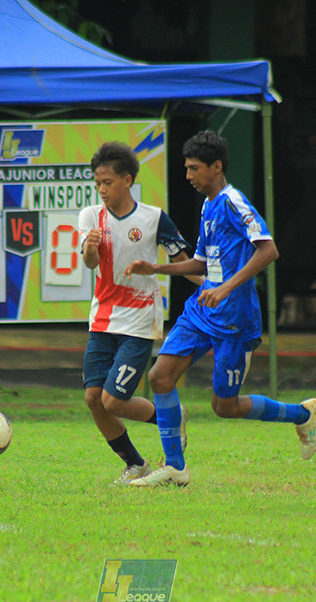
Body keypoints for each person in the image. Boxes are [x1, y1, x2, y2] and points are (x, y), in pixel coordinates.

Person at [124, 130, 316, 487]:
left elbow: (268, 250)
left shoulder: (234, 201)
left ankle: (302, 414)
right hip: (202, 311)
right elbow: (202, 263)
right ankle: (175, 468)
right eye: (186, 168)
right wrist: (158, 268)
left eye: (194, 168)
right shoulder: (208, 205)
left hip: (235, 320)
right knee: (159, 377)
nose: (188, 176)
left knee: (224, 407)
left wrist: (226, 288)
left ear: (217, 167)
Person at [79, 141, 201, 485]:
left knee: (114, 401)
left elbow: (184, 262)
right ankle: (135, 464)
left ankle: (172, 415)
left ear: (127, 180)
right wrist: (89, 249)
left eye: (108, 182)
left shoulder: (153, 218)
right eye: (98, 183)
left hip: (139, 320)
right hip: (102, 317)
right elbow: (90, 264)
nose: (102, 190)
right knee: (93, 399)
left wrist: (213, 286)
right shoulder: (91, 217)